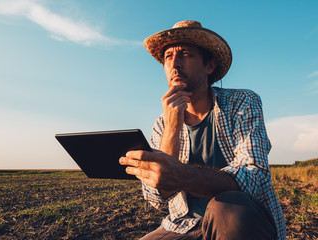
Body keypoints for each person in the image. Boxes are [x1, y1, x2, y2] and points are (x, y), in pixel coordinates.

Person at [119, 20, 286, 240]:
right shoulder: (162, 123)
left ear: (209, 66)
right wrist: (172, 127)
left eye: (185, 54)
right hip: (184, 225)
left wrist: (181, 175)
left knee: (227, 207)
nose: (174, 64)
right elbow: (157, 199)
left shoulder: (242, 102)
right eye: (168, 57)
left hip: (242, 219)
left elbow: (255, 176)